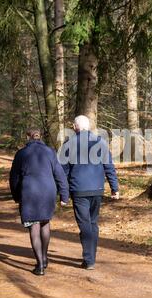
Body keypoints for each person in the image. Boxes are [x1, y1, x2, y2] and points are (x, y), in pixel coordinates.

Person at [61, 115, 119, 270]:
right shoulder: (100, 142)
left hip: (79, 189)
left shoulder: (69, 143)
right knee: (93, 223)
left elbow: (63, 171)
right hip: (97, 189)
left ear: (75, 127)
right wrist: (115, 188)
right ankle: (91, 256)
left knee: (85, 224)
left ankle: (89, 258)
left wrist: (63, 192)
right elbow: (109, 166)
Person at [9, 128, 69, 276]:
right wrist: (64, 195)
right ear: (40, 136)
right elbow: (60, 174)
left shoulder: (21, 154)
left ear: (27, 137)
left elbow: (14, 178)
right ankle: (45, 257)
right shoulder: (50, 152)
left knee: (33, 227)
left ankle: (40, 265)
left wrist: (16, 195)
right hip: (48, 192)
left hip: (29, 192)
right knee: (45, 223)